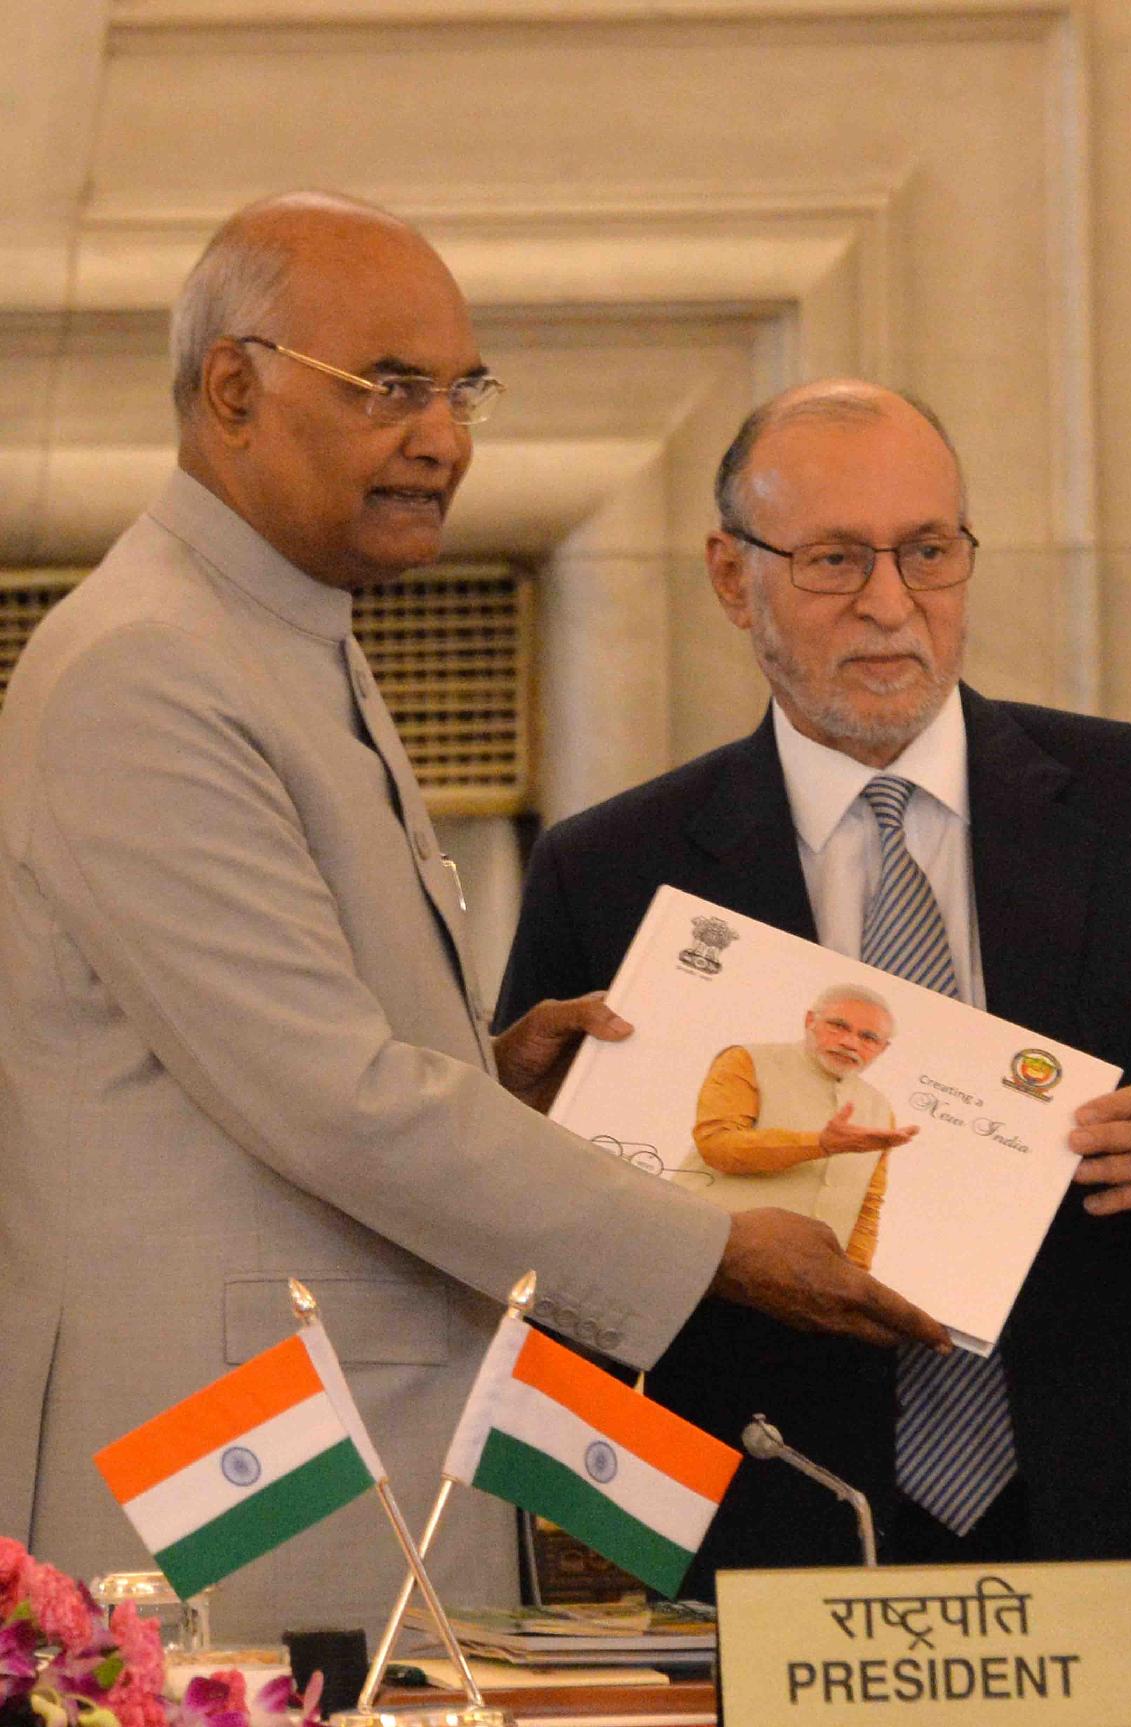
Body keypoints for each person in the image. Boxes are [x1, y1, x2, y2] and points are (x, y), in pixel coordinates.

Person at [0, 204, 944, 1641]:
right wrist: (707, 1248)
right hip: (224, 1481)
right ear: (235, 388)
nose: (443, 437)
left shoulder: (277, 629)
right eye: (390, 386)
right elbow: (331, 1097)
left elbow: (275, 1057)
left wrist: (487, 1073)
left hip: (321, 1455)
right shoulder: (149, 668)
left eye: (462, 391)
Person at [497, 380, 1131, 1599]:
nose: (890, 603)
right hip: (772, 1540)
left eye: (927, 551)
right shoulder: (610, 872)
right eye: (835, 559)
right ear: (730, 576)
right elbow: (544, 1261)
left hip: (1112, 1525)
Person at [688, 985, 913, 1270]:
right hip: (704, 1249)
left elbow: (867, 1206)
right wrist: (819, 1144)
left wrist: (854, 1276)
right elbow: (717, 1146)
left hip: (796, 1279)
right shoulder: (747, 1060)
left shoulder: (880, 1110)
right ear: (810, 1021)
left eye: (868, 1037)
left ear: (883, 1048)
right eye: (838, 1026)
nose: (850, 1043)